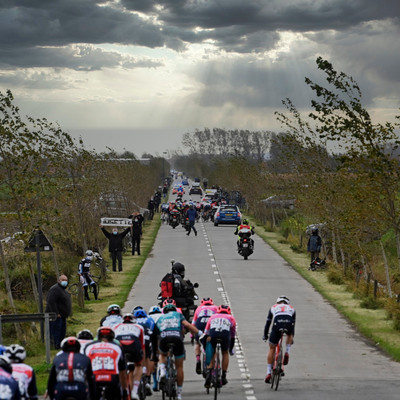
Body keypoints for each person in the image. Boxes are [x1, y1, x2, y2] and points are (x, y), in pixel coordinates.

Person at [153, 303, 200, 400]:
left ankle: (162, 370)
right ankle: (179, 393)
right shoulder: (178, 315)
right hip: (176, 338)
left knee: (162, 354)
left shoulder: (161, 318)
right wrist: (199, 333)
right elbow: (187, 325)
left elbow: (156, 335)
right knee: (179, 367)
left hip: (164, 338)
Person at [84, 327, 128, 400]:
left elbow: (85, 369)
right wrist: (124, 390)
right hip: (112, 378)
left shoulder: (89, 346)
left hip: (95, 378)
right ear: (112, 337)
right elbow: (122, 372)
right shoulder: (117, 346)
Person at [263, 296, 296, 384]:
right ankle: (287, 352)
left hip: (277, 322)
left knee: (272, 348)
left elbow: (268, 323)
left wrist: (265, 335)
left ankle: (268, 373)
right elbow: (293, 326)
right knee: (289, 333)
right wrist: (292, 337)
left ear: (277, 302)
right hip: (288, 322)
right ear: (287, 303)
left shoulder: (273, 307)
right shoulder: (292, 308)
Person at [113, 313, 145, 400]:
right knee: (138, 365)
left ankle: (120, 387)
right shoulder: (139, 327)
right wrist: (142, 361)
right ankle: (134, 391)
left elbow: (112, 343)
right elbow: (142, 346)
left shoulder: (116, 326)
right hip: (133, 343)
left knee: (119, 367)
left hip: (120, 344)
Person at [203, 305, 236, 388]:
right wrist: (231, 349)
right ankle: (224, 376)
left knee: (212, 352)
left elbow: (206, 332)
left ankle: (209, 375)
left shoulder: (212, 317)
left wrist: (205, 347)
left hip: (213, 335)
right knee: (225, 353)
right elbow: (232, 336)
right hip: (224, 336)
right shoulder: (231, 318)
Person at [132, 308, 155, 396]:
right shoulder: (149, 319)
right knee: (149, 356)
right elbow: (154, 332)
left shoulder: (133, 321)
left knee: (136, 361)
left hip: (135, 342)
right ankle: (148, 379)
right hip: (148, 339)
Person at [45, 274, 72, 349]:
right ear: (58, 280)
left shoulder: (62, 289)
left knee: (61, 331)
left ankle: (60, 344)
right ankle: (55, 345)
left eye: (66, 280)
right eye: (63, 280)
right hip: (56, 316)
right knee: (56, 331)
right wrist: (56, 313)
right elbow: (51, 301)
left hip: (62, 316)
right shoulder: (55, 289)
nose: (65, 281)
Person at [192, 298, 218, 375]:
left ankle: (198, 359)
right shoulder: (215, 308)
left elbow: (193, 323)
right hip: (210, 324)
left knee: (197, 342)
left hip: (200, 323)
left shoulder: (199, 308)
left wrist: (192, 334)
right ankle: (213, 365)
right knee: (213, 345)